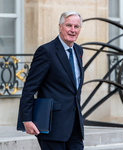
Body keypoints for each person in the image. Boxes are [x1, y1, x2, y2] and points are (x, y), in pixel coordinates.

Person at [18, 11, 84, 150]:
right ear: (60, 27)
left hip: (75, 126)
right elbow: (30, 88)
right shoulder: (46, 51)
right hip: (53, 127)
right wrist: (27, 119)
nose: (73, 30)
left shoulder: (78, 50)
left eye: (76, 26)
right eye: (69, 25)